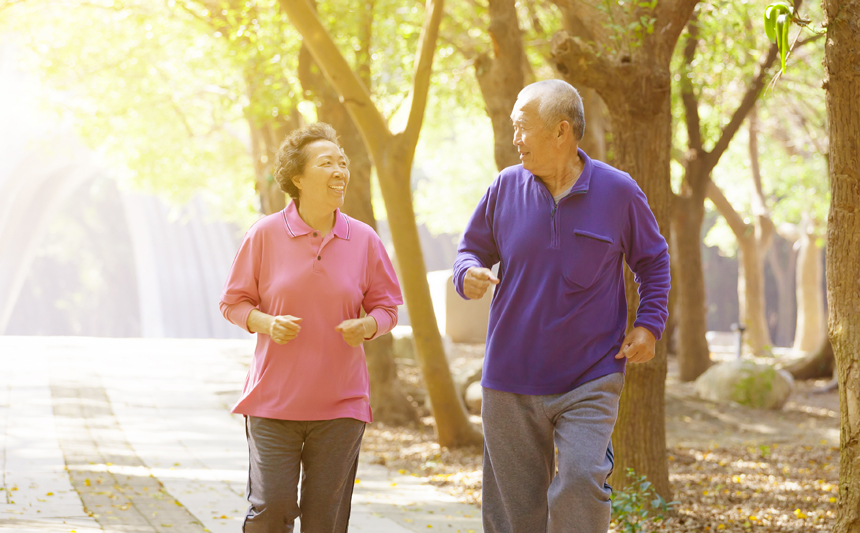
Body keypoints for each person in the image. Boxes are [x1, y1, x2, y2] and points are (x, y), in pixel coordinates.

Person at [453, 80, 671, 533]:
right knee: (515, 513)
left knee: (581, 479)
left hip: (590, 374)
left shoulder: (619, 192)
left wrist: (649, 325)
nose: (515, 139)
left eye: (522, 127)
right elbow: (469, 249)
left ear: (561, 132)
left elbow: (653, 261)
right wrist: (467, 273)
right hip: (510, 377)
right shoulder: (504, 187)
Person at [219, 122, 403, 532]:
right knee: (271, 508)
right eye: (327, 163)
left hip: (341, 404)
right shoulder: (265, 234)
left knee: (327, 520)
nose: (340, 171)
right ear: (298, 178)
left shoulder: (365, 239)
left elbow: (388, 307)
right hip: (273, 402)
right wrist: (265, 321)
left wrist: (369, 325)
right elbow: (232, 303)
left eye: (343, 162)